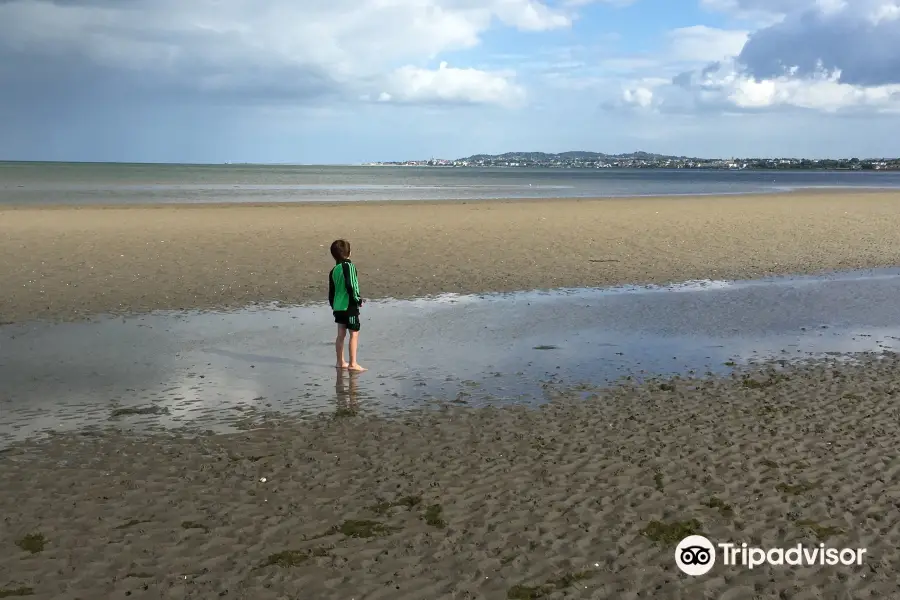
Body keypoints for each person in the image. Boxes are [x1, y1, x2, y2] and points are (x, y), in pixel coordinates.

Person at [328, 239, 366, 371]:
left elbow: (331, 292)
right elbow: (352, 285)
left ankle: (340, 362)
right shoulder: (349, 266)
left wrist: (333, 305)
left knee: (341, 334)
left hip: (338, 306)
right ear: (349, 253)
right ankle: (353, 363)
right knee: (354, 333)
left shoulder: (334, 270)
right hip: (349, 305)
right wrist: (358, 299)